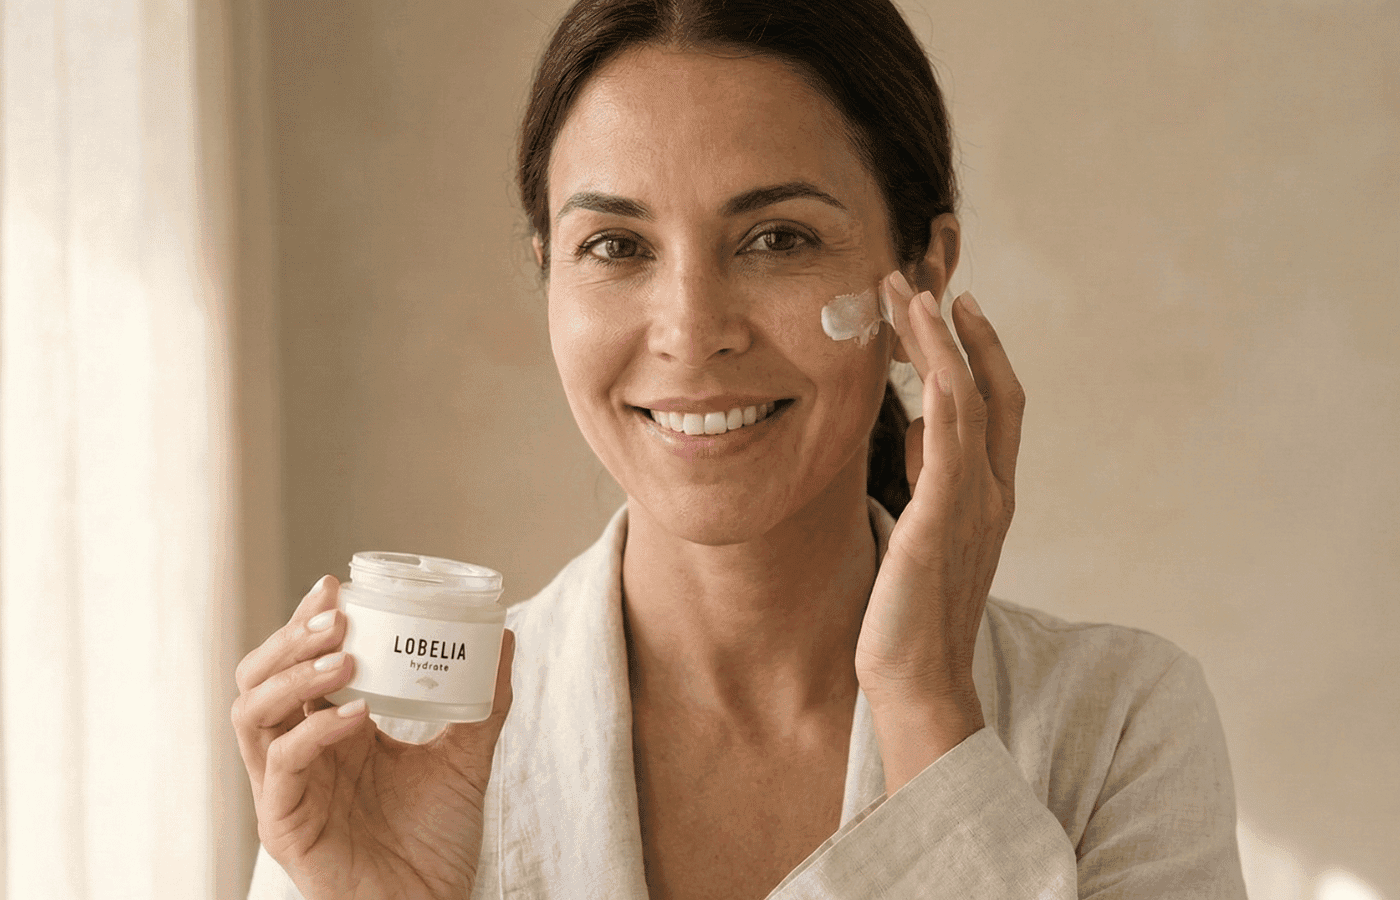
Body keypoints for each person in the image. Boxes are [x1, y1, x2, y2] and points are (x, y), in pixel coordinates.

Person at [234, 0, 1247, 897]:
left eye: (777, 239)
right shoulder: (390, 742)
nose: (691, 330)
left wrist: (925, 707)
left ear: (921, 278)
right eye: (616, 246)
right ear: (549, 276)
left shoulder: (1115, 725)